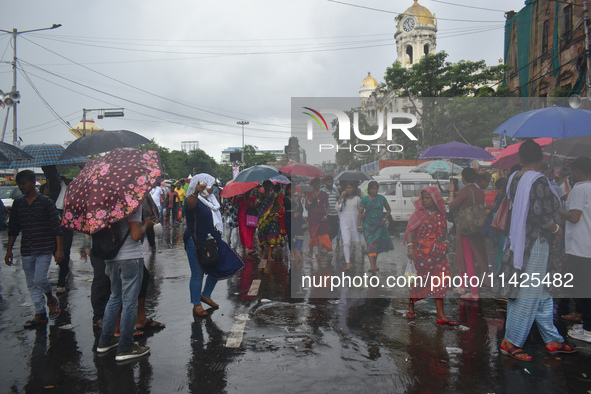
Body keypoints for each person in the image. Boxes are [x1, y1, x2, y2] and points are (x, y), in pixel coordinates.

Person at [499, 139, 576, 361]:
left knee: (542, 293)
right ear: (540, 158)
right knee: (528, 293)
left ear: (520, 158)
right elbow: (542, 215)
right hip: (535, 244)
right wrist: (556, 229)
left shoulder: (514, 178)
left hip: (519, 241)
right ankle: (510, 341)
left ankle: (552, 339)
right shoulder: (539, 180)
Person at [5, 170, 63, 328]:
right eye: (19, 184)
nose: (21, 187)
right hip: (27, 249)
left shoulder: (46, 202)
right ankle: (40, 313)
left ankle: (50, 298)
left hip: (44, 247)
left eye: (24, 183)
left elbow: (56, 227)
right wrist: (9, 250)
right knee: (31, 283)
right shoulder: (18, 204)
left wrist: (59, 249)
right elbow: (14, 228)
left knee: (40, 279)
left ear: (32, 182)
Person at [184, 177, 245, 317]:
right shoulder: (193, 199)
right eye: (211, 185)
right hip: (196, 240)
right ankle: (196, 304)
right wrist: (195, 192)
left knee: (221, 265)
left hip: (212, 239)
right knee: (197, 274)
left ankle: (205, 294)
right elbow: (190, 206)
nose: (213, 187)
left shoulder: (211, 200)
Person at [404, 186, 455, 325]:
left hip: (438, 253)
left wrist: (446, 242)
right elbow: (410, 231)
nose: (424, 201)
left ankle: (441, 315)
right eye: (423, 198)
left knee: (440, 282)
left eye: (428, 198)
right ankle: (411, 306)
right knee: (418, 282)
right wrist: (410, 248)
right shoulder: (418, 214)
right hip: (421, 254)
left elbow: (444, 230)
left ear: (435, 199)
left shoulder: (441, 214)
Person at [559, 157, 591, 343]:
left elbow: (575, 217)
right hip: (586, 245)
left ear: (578, 171)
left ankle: (588, 327)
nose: (570, 176)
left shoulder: (579, 189)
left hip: (580, 246)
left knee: (580, 286)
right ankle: (585, 321)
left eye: (571, 172)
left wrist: (559, 209)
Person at [449, 168, 488, 301]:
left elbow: (452, 206)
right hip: (478, 227)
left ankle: (474, 292)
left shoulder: (464, 191)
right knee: (469, 256)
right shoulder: (479, 191)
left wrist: (450, 192)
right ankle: (462, 286)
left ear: (464, 178)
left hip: (465, 228)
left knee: (467, 258)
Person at [39, 165, 73, 296]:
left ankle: (61, 282)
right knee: (55, 251)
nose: (48, 174)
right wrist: (44, 196)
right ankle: (65, 270)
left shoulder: (65, 184)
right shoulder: (43, 189)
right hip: (49, 226)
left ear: (55, 171)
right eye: (45, 171)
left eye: (49, 171)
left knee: (64, 251)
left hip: (65, 224)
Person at [358, 180, 393, 272]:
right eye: (373, 189)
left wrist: (384, 218)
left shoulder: (381, 198)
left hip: (379, 225)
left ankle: (374, 264)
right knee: (370, 245)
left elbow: (389, 209)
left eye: (376, 189)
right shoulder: (364, 200)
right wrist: (359, 225)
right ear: (369, 190)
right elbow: (360, 213)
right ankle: (372, 265)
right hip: (368, 226)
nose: (375, 191)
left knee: (376, 246)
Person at [335, 182, 361, 271]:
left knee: (351, 242)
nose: (348, 190)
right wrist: (341, 197)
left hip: (354, 222)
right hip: (344, 221)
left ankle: (348, 260)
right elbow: (337, 208)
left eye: (350, 188)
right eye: (347, 188)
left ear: (353, 188)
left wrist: (359, 223)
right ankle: (348, 262)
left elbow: (359, 210)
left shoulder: (357, 199)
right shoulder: (343, 199)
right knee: (346, 241)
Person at [306, 178, 332, 261]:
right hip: (313, 218)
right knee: (313, 235)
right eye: (316, 184)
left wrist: (326, 216)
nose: (318, 185)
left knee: (322, 236)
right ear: (312, 185)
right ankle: (310, 250)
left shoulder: (323, 194)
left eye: (319, 183)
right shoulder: (309, 194)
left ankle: (319, 256)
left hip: (322, 218)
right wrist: (310, 200)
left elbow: (328, 206)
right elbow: (307, 207)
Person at [258, 180, 282, 262]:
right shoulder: (260, 195)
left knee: (271, 236)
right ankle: (262, 250)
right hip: (262, 219)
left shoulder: (274, 196)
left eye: (269, 185)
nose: (267, 187)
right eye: (266, 185)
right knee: (261, 236)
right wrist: (259, 199)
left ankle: (269, 255)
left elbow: (278, 206)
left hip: (271, 218)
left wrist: (276, 214)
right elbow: (256, 206)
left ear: (271, 187)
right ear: (263, 186)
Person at [321, 175, 340, 250]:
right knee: (328, 231)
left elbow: (338, 200)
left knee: (335, 230)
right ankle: (329, 247)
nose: (330, 183)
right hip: (327, 214)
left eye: (331, 182)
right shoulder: (322, 191)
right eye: (329, 182)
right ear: (325, 182)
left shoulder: (336, 191)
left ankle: (328, 242)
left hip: (335, 214)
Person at [236, 190, 257, 254]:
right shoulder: (239, 199)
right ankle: (244, 246)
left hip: (249, 217)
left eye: (249, 192)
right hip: (241, 217)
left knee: (249, 231)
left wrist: (247, 202)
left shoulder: (252, 198)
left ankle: (250, 247)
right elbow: (235, 205)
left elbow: (254, 206)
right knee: (242, 231)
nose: (247, 193)